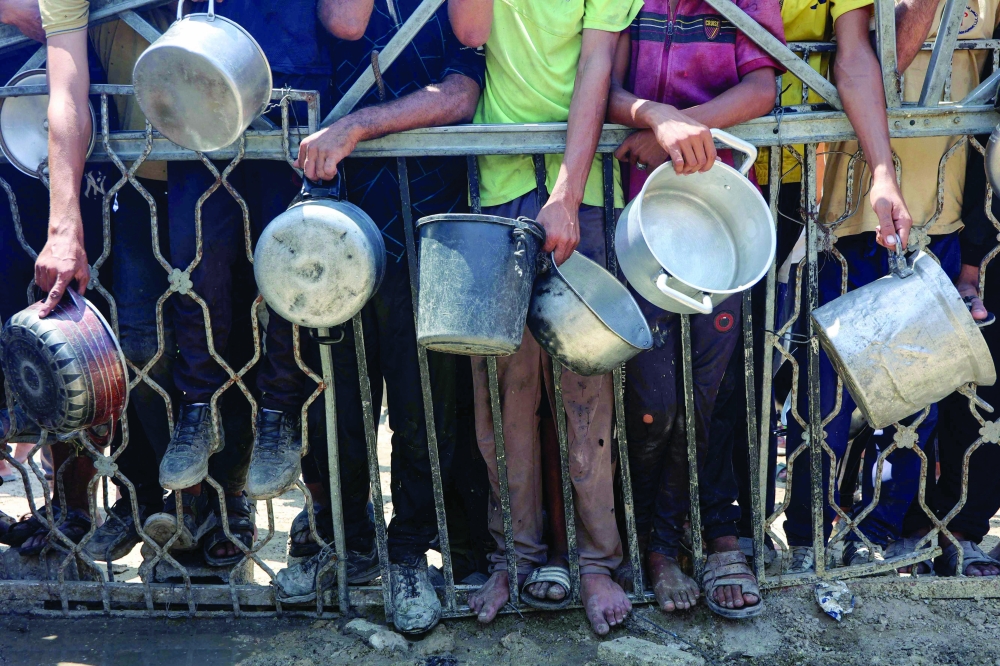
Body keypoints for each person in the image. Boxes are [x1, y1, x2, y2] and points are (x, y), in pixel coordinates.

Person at [271, 0, 487, 635]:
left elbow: (462, 90)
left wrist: (359, 126)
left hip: (425, 207)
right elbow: (345, 24)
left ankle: (409, 551)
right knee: (331, 397)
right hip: (329, 213)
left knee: (425, 400)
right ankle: (343, 542)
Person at [781, 0, 996, 572]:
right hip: (855, 217)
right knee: (825, 395)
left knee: (917, 397)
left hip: (941, 221)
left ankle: (879, 532)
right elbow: (887, 65)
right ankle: (807, 537)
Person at [138, 0, 337, 569]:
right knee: (195, 269)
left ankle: (277, 414)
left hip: (292, 79)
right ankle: (198, 410)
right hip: (200, 66)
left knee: (285, 265)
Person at [465, 0, 642, 637]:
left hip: (582, 187)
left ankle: (597, 563)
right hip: (495, 177)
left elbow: (599, 65)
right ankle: (514, 556)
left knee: (586, 389)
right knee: (504, 394)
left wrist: (565, 192)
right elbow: (467, 32)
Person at [606, 0, 784, 619]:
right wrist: (657, 123)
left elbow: (763, 84)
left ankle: (686, 540)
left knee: (708, 394)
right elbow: (608, 87)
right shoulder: (630, 4)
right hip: (644, 221)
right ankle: (649, 540)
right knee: (653, 397)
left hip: (720, 217)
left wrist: (682, 134)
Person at [3, 0, 174, 560]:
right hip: (40, 92)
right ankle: (83, 503)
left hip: (85, 126)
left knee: (84, 321)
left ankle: (83, 505)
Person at [896, 92, 1000, 577]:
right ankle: (936, 526)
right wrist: (975, 263)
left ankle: (966, 525)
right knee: (969, 387)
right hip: (974, 226)